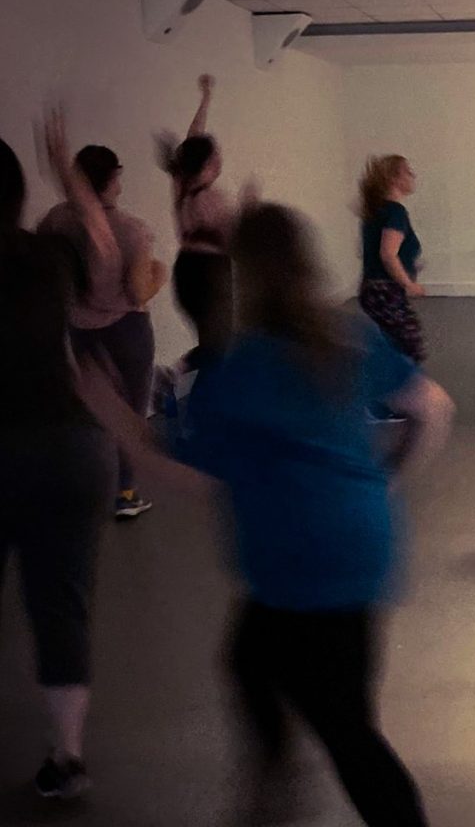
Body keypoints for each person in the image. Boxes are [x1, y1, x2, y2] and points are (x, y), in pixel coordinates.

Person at [79, 201, 454, 827]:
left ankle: (300, 791)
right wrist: (389, 482)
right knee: (252, 661)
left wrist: (107, 409)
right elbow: (434, 409)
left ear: (243, 276)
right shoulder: (349, 336)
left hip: (300, 566)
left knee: (347, 732)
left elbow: (182, 472)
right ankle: (272, 784)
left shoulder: (238, 368)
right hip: (358, 549)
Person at [1, 112, 119, 799]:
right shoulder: (42, 257)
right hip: (69, 448)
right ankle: (66, 754)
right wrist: (67, 172)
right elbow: (103, 252)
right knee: (61, 604)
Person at [39, 144, 165, 518]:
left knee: (89, 409)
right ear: (111, 180)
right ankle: (125, 493)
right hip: (126, 331)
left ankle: (83, 488)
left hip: (79, 329)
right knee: (131, 412)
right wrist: (160, 272)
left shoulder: (56, 220)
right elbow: (138, 292)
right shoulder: (131, 230)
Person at [157, 74, 235, 376]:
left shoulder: (182, 187)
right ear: (207, 164)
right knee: (219, 345)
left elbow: (192, 141)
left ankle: (177, 372)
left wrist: (205, 99)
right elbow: (233, 238)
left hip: (186, 270)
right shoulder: (212, 197)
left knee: (213, 342)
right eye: (216, 157)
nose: (220, 161)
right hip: (210, 273)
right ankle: (178, 374)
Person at [358, 154, 425, 370]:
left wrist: (408, 267)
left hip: (372, 290)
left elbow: (365, 252)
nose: (412, 175)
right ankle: (401, 395)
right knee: (408, 345)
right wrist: (408, 283)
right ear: (394, 179)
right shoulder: (396, 212)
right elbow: (387, 254)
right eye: (408, 171)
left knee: (391, 343)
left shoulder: (376, 211)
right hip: (385, 292)